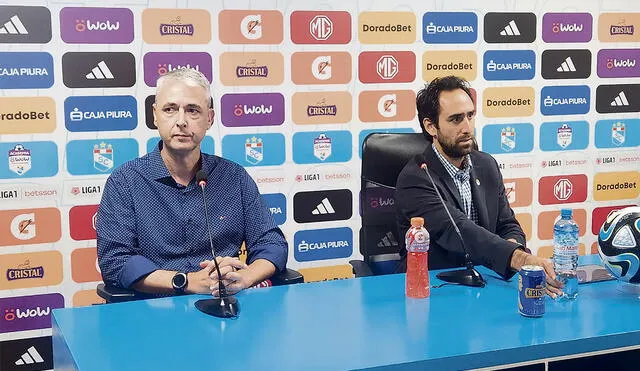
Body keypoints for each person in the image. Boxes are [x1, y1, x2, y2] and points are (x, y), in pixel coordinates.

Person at [97, 68, 288, 297]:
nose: (181, 121)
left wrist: (243, 279)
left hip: (226, 304)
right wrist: (186, 282)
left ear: (209, 118)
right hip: (155, 310)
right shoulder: (124, 182)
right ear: (155, 116)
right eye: (170, 109)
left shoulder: (234, 177)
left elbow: (273, 244)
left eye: (192, 111)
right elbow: (115, 261)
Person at [395, 76, 562, 297]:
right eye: (455, 119)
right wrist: (520, 259)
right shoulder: (416, 177)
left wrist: (512, 249)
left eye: (470, 116)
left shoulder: (486, 165)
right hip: (438, 290)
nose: (467, 128)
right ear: (431, 126)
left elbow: (508, 224)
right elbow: (460, 231)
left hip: (487, 283)